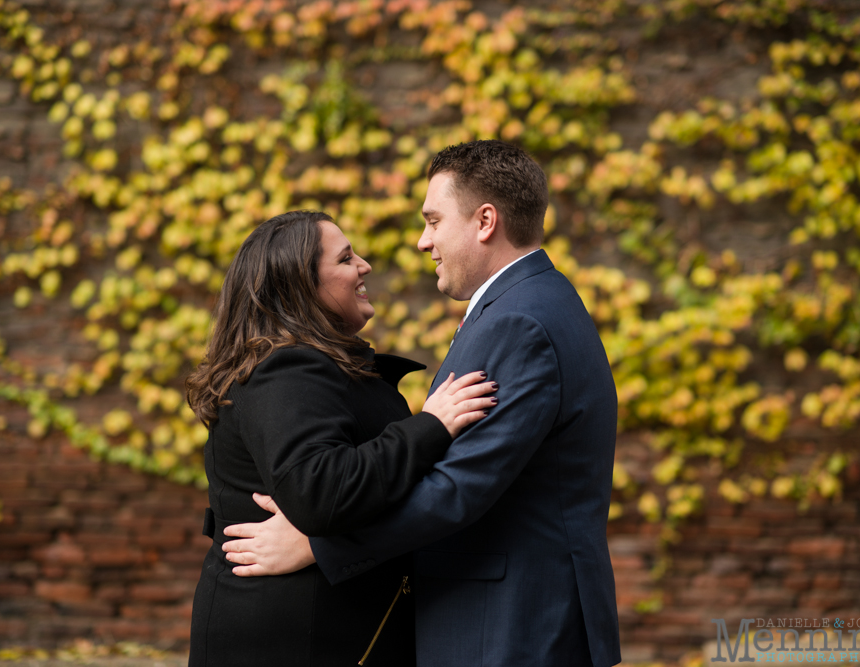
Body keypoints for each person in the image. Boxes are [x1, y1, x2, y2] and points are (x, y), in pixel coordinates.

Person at [222, 141, 622, 667]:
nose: (421, 241)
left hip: (511, 624)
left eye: (433, 221)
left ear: (484, 221)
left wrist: (319, 546)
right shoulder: (531, 303)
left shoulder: (517, 321)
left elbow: (459, 486)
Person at [184, 210, 498, 666]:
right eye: (346, 258)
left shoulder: (309, 364)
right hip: (294, 636)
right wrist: (432, 425)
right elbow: (321, 490)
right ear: (300, 286)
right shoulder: (286, 368)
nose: (365, 265)